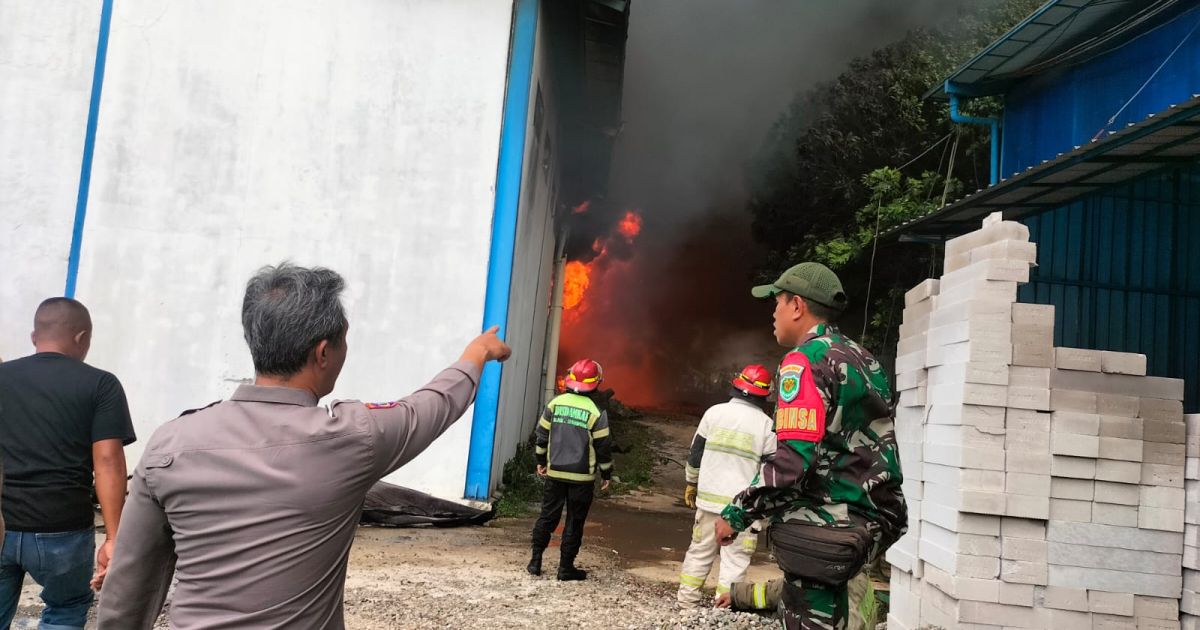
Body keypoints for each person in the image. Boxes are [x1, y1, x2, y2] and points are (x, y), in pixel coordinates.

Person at [95, 263, 511, 629]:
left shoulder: (171, 442)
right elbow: (433, 405)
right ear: (324, 352)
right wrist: (477, 353)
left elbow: (128, 583)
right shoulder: (353, 437)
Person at [714, 262, 906, 630]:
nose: (773, 312)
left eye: (777, 302)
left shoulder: (804, 362)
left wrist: (737, 513)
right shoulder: (862, 358)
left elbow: (792, 460)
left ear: (797, 306)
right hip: (866, 525)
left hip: (825, 529)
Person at [0, 298, 136, 629]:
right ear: (82, 337)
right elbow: (108, 463)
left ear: (35, 337)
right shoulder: (101, 384)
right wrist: (114, 537)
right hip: (62, 528)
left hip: (2, 521)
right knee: (65, 610)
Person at [677, 364, 777, 607]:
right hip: (743, 509)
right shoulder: (767, 425)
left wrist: (691, 482)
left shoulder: (713, 413)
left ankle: (686, 603)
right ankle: (723, 610)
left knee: (700, 550)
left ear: (736, 384)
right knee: (735, 561)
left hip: (709, 501)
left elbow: (695, 455)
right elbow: (770, 471)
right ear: (765, 395)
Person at [527, 358, 613, 581]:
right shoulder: (597, 411)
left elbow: (542, 435)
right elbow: (603, 447)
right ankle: (565, 568)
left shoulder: (555, 403)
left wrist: (541, 460)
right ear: (597, 382)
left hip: (555, 473)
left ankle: (535, 561)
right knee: (575, 521)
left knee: (547, 516)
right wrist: (606, 473)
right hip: (582, 478)